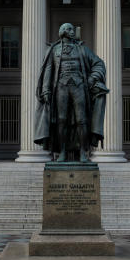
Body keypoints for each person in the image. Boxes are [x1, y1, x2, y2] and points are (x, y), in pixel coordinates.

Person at [34, 23, 107, 162]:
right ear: (61, 32)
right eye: (68, 29)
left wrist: (92, 79)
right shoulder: (53, 50)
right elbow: (48, 70)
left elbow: (99, 63)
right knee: (61, 120)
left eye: (72, 29)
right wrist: (45, 90)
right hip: (60, 87)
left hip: (80, 86)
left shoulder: (82, 49)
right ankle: (61, 152)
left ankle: (83, 152)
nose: (71, 31)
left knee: (82, 120)